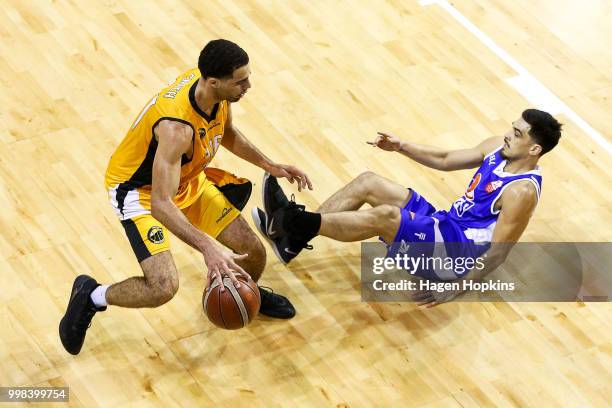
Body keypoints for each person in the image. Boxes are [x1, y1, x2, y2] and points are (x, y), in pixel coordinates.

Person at [59, 39, 312, 355]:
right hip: (141, 192)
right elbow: (161, 205)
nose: (248, 85)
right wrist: (209, 248)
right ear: (214, 81)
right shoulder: (176, 129)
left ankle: (244, 295)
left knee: (252, 252)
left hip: (187, 180)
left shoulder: (214, 91)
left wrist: (269, 165)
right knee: (162, 287)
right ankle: (91, 295)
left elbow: (226, 132)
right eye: (241, 80)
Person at [252, 109, 562, 306]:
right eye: (512, 127)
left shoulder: (521, 191)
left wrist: (457, 289)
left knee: (388, 217)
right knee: (369, 182)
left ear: (534, 149)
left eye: (518, 134)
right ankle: (291, 240)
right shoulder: (498, 146)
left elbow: (499, 251)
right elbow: (445, 159)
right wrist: (402, 147)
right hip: (446, 226)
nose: (509, 134)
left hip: (456, 257)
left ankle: (295, 223)